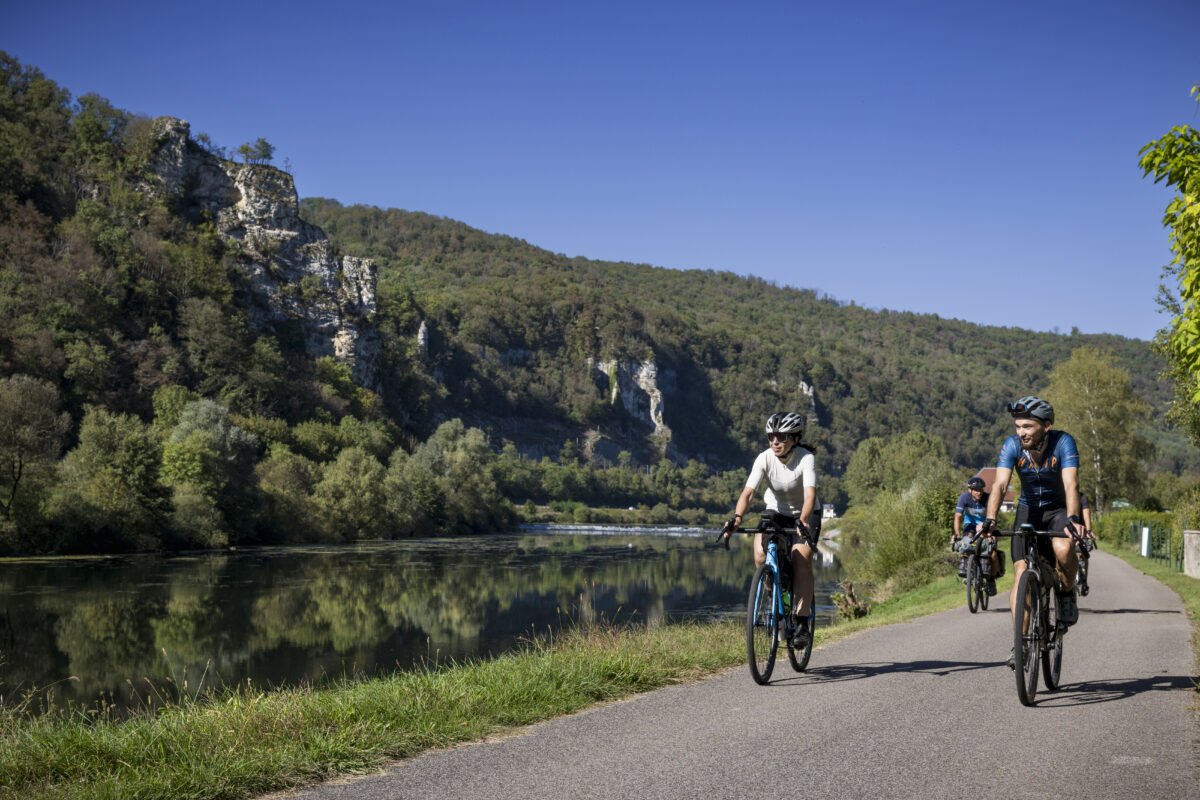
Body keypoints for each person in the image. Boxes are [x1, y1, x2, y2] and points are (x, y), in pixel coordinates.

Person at [980, 395, 1085, 668]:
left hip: (1057, 510)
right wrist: (990, 519)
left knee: (1063, 549)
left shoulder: (1063, 442)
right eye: (1018, 426)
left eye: (1027, 426)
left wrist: (1073, 519)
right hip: (1027, 510)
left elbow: (1071, 484)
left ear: (1046, 426)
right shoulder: (1012, 446)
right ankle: (1022, 643)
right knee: (1020, 575)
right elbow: (1001, 485)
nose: (1021, 432)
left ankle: (1065, 593)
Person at [721, 411, 821, 648]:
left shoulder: (806, 459)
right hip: (775, 512)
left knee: (801, 558)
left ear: (795, 438)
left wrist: (803, 520)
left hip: (805, 514)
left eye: (782, 436)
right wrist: (736, 518)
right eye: (771, 436)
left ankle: (802, 622)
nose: (775, 441)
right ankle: (775, 601)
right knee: (759, 554)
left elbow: (810, 495)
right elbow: (749, 493)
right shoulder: (764, 458)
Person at [951, 476, 1000, 595]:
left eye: (981, 490)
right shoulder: (964, 498)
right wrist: (956, 534)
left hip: (987, 524)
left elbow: (993, 517)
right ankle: (969, 571)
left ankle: (991, 580)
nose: (979, 492)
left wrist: (990, 533)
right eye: (976, 490)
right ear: (970, 490)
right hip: (970, 526)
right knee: (967, 543)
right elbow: (958, 516)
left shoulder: (988, 499)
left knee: (992, 553)